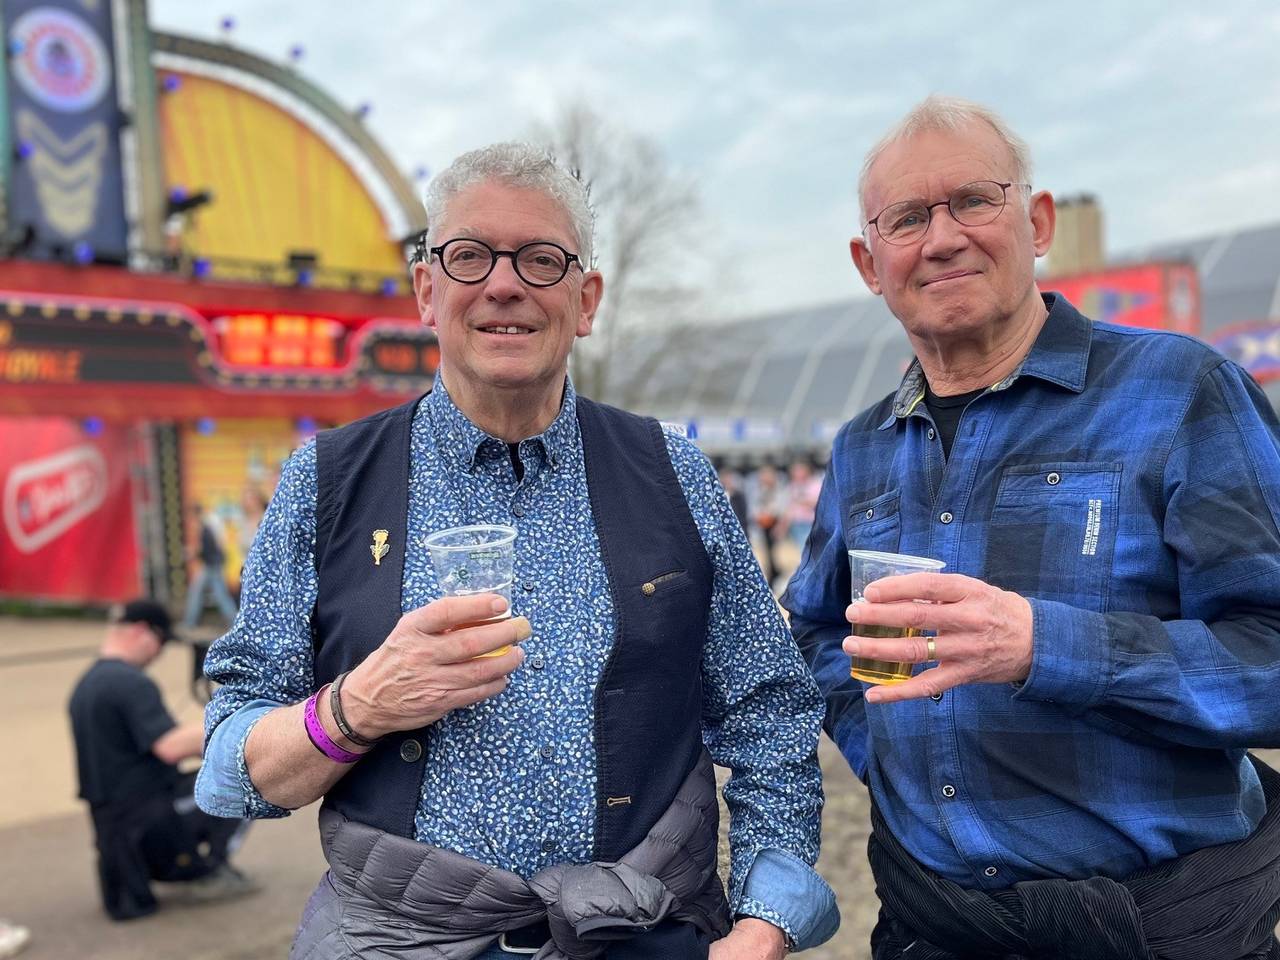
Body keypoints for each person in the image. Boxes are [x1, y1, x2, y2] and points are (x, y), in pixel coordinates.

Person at [196, 143, 838, 960]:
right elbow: (229, 769)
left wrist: (765, 923)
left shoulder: (671, 470)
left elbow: (768, 709)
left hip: (643, 931)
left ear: (586, 299)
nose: (505, 284)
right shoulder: (325, 481)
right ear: (428, 290)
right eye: (469, 256)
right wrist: (355, 708)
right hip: (404, 940)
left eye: (542, 259)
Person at [783, 95, 1280, 959]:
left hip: (1155, 931)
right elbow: (819, 628)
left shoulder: (1178, 390)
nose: (941, 238)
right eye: (906, 219)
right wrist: (884, 744)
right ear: (871, 263)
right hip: (933, 929)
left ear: (1037, 220)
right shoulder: (863, 446)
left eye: (973, 200)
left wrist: (1046, 646)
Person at [68, 599, 256, 921]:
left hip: (114, 825)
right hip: (151, 816)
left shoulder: (86, 685)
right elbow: (169, 747)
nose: (158, 654)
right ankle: (208, 872)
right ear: (142, 632)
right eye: (160, 643)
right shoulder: (129, 682)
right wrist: (236, 726)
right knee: (245, 779)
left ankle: (182, 865)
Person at [181, 503, 238, 631]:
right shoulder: (208, 525)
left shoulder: (205, 526)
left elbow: (207, 548)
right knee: (215, 594)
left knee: (214, 594)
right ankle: (190, 622)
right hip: (212, 564)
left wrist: (192, 553)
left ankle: (189, 622)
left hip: (211, 565)